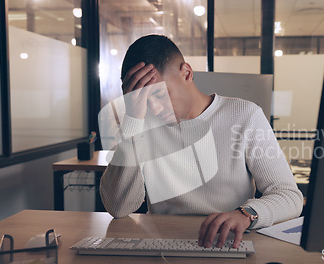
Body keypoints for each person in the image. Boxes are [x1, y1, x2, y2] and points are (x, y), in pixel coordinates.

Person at [100, 34, 303, 249]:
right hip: (163, 247)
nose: (155, 109)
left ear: (186, 73)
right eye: (143, 99)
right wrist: (132, 121)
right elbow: (118, 207)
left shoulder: (245, 115)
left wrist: (246, 214)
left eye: (160, 94)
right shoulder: (141, 123)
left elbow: (289, 196)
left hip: (226, 243)